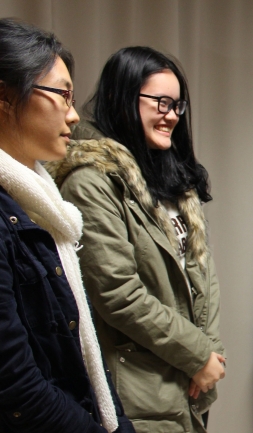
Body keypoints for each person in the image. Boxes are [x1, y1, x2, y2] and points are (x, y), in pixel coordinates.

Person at [47, 46, 226, 433]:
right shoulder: (90, 181)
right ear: (120, 98)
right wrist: (197, 354)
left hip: (187, 384)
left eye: (178, 105)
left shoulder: (173, 180)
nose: (172, 115)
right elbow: (117, 293)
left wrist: (211, 353)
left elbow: (202, 275)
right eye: (161, 102)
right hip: (139, 390)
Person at [0, 18, 135, 433]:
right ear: (5, 96)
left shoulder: (44, 204)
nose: (74, 116)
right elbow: (16, 384)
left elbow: (78, 347)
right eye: (62, 95)